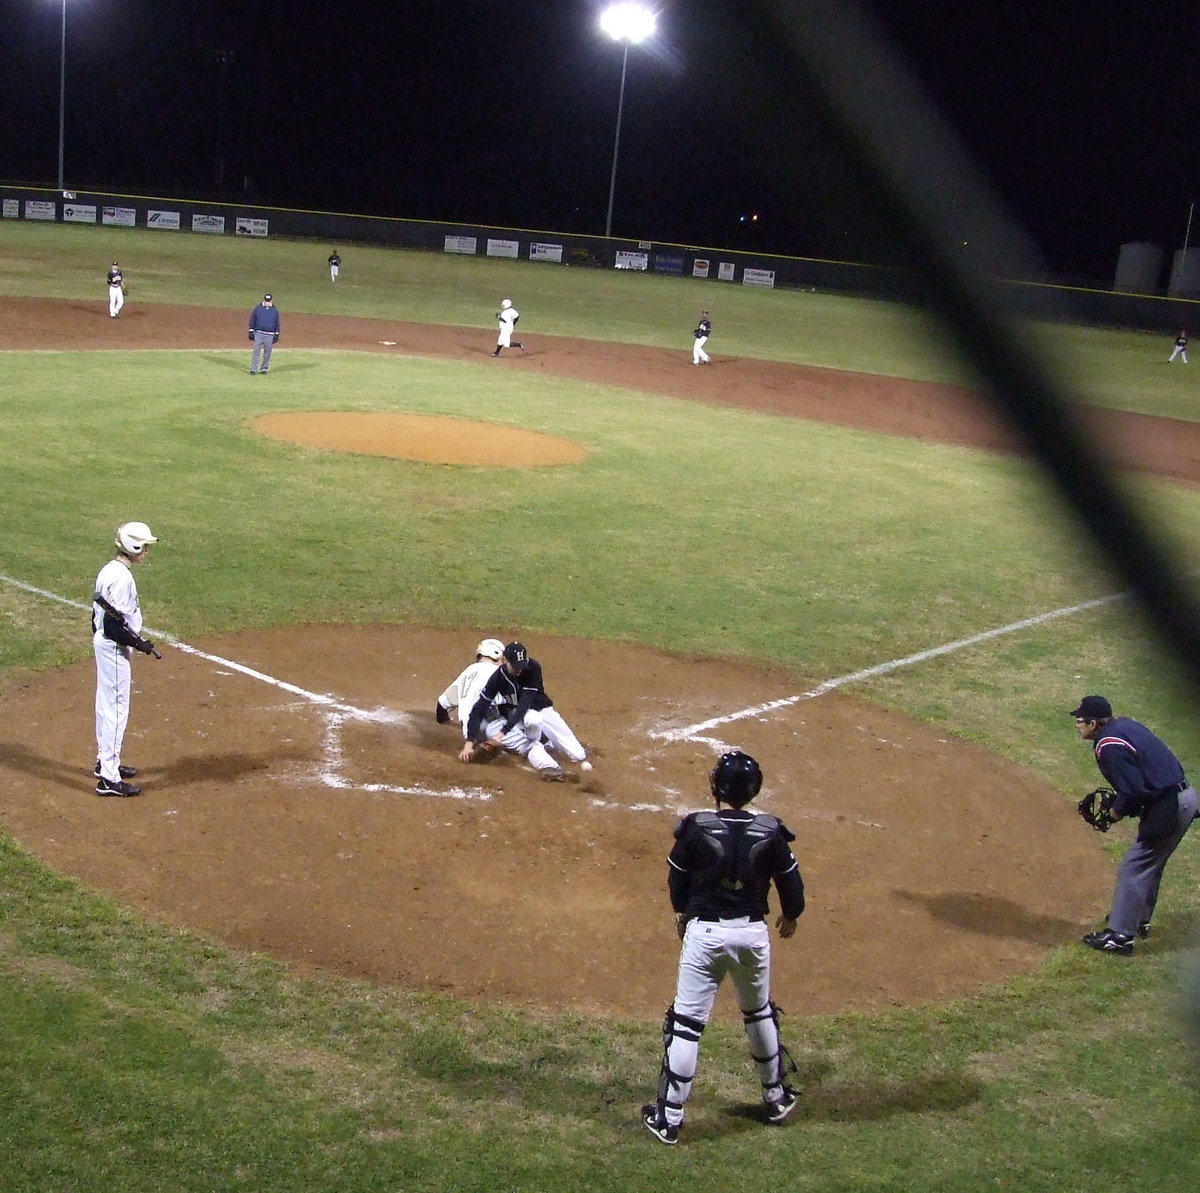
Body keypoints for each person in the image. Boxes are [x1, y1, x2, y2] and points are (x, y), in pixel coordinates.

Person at [642, 751, 805, 1145]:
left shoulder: (696, 828)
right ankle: (776, 1097)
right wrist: (791, 915)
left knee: (687, 1023)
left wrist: (681, 913)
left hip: (706, 936)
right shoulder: (771, 831)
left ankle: (670, 1117)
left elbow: (676, 880)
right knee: (758, 1012)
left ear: (717, 786)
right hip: (752, 936)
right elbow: (792, 887)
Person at [1070, 695, 1198, 955]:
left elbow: (1135, 791)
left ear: (1094, 723)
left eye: (1080, 720)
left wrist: (1115, 813)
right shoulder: (1124, 726)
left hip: (1171, 804)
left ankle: (1119, 937)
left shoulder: (1108, 746)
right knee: (1150, 864)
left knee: (1135, 865)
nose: (1077, 724)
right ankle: (1137, 920)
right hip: (1182, 797)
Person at [93, 521, 161, 797]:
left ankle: (105, 763)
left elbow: (98, 614)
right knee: (116, 711)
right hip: (114, 648)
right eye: (144, 546)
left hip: (105, 644)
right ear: (133, 546)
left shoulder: (109, 570)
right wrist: (141, 644)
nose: (146, 550)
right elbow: (114, 627)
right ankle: (108, 779)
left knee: (105, 706)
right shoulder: (122, 578)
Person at [464, 642, 590, 780]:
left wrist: (502, 734)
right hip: (518, 718)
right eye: (516, 666)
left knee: (578, 755)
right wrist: (469, 742)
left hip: (541, 711)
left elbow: (524, 704)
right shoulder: (498, 678)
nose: (519, 670)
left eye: (521, 665)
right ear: (505, 660)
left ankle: (547, 742)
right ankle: (546, 760)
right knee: (530, 728)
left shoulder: (533, 668)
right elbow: (479, 707)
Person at [436, 638, 505, 747]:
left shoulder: (468, 672)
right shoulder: (497, 673)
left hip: (469, 733)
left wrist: (445, 722)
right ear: (497, 656)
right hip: (490, 728)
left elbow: (441, 705)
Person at [248, 293, 281, 375]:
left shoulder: (274, 310)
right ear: (264, 300)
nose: (268, 302)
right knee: (256, 352)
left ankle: (264, 368)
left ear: (271, 301)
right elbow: (252, 320)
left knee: (267, 353)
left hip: (269, 334)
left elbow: (277, 323)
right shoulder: (258, 309)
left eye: (269, 301)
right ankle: (253, 369)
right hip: (259, 333)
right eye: (266, 300)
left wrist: (277, 333)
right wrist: (251, 330)